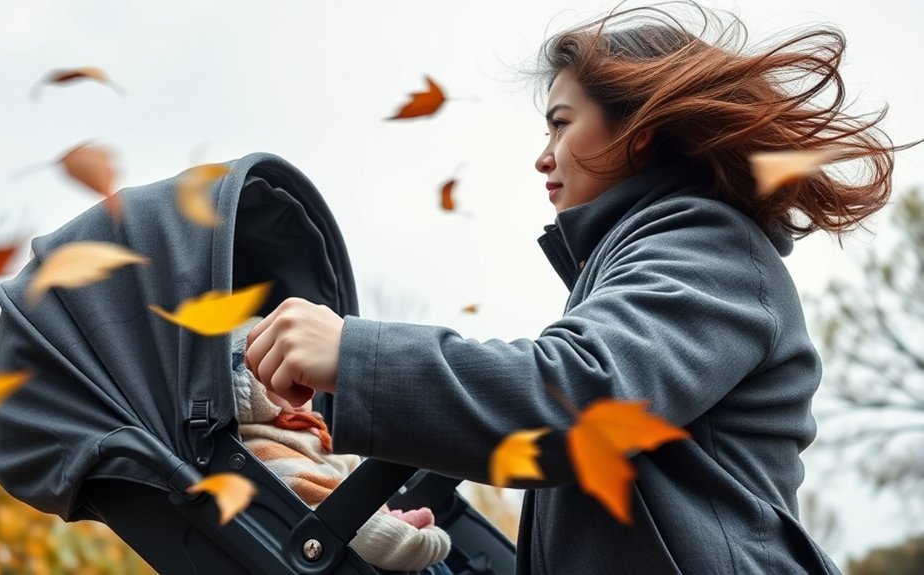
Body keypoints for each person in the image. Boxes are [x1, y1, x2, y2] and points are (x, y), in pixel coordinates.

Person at [243, 2, 911, 573]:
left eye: (561, 123)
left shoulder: (707, 244)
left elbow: (581, 401)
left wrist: (354, 355)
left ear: (640, 132)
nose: (542, 155)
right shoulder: (652, 253)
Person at [231, 318, 454, 574]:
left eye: (304, 377)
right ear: (249, 388)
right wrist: (406, 535)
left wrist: (389, 517)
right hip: (340, 543)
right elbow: (321, 509)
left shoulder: (318, 438)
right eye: (284, 376)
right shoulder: (265, 451)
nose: (306, 389)